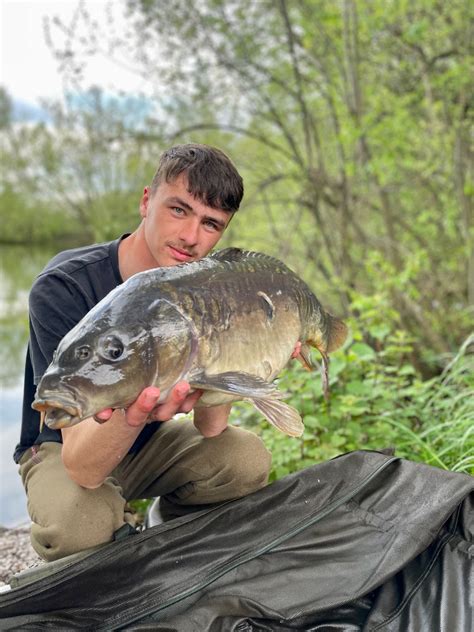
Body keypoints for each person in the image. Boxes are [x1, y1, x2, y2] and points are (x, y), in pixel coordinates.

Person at [14, 143, 272, 562]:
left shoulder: (202, 291)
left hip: (149, 444)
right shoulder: (64, 286)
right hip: (63, 448)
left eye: (211, 223)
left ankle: (165, 527)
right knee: (79, 524)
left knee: (244, 459)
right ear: (147, 201)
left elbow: (210, 428)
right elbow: (83, 466)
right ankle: (106, 523)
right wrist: (139, 410)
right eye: (178, 210)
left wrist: (250, 355)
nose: (191, 237)